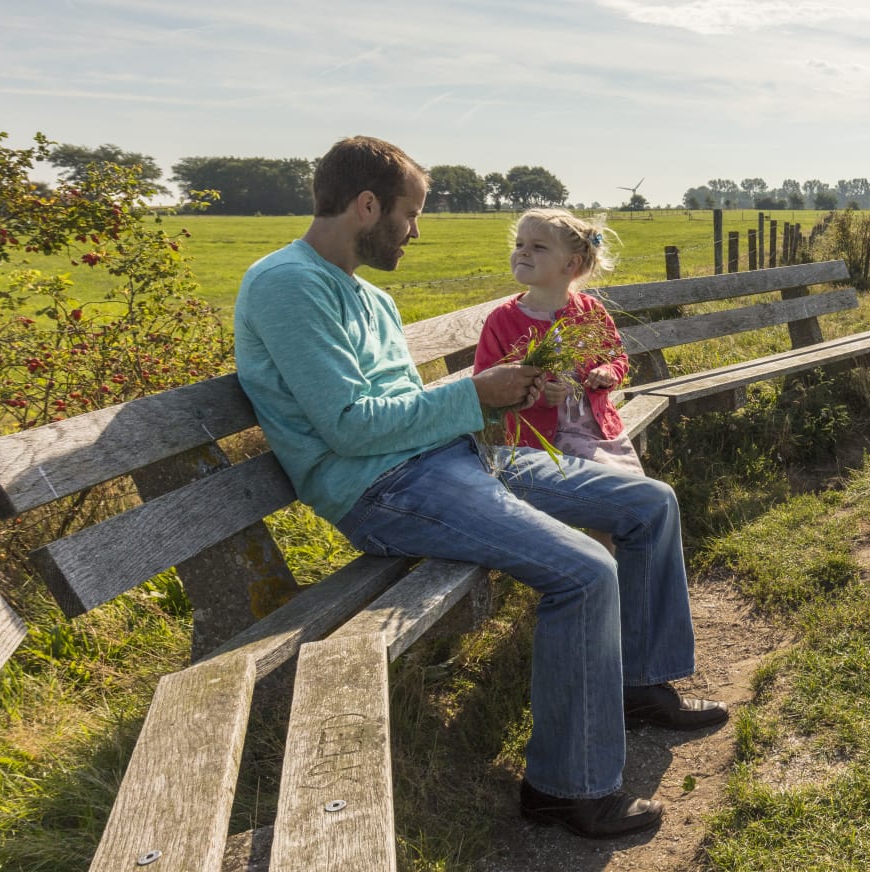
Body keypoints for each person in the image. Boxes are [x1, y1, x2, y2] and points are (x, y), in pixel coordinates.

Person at [233, 136, 725, 841]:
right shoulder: (287, 284)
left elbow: (401, 402)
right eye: (410, 214)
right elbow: (348, 427)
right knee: (585, 572)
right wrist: (476, 391)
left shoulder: (366, 295)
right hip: (381, 488)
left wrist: (498, 396)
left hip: (446, 459)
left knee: (649, 502)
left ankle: (639, 685)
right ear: (367, 205)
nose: (415, 230)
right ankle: (566, 787)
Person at [476, 209, 644, 476]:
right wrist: (537, 395)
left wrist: (607, 372)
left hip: (600, 430)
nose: (523, 252)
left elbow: (617, 357)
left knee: (634, 488)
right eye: (519, 244)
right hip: (540, 442)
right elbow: (484, 386)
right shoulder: (503, 320)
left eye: (538, 247)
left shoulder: (590, 311)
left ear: (570, 264)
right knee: (623, 491)